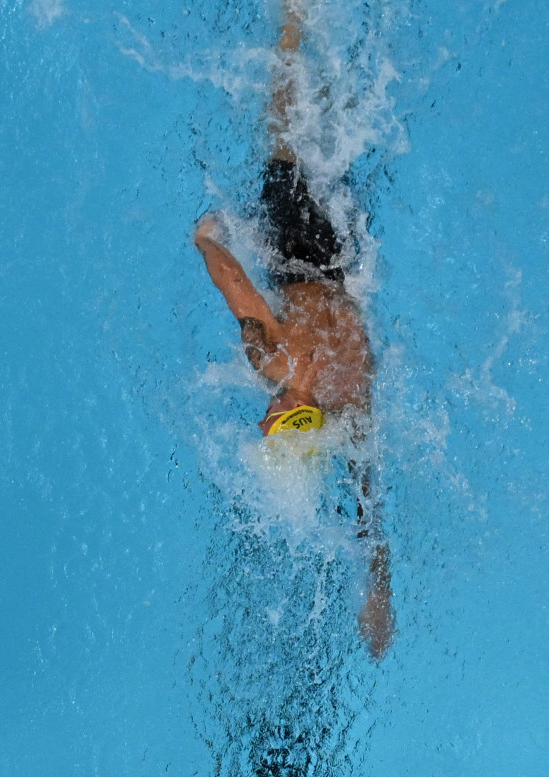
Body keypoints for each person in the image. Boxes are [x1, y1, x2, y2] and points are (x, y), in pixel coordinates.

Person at [191, 0, 393, 658]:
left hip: (346, 262)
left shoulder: (353, 399)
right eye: (275, 422)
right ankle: (293, 24)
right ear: (291, 417)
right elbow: (240, 289)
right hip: (300, 254)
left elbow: (370, 499)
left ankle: (333, 58)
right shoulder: (275, 363)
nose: (264, 416)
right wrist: (204, 241)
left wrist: (379, 587)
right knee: (284, 142)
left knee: (333, 154)